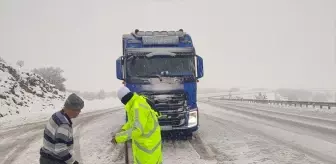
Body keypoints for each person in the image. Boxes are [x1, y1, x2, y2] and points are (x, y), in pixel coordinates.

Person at [111, 86, 163, 164]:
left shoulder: (137, 107)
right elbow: (133, 121)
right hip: (149, 144)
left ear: (123, 100)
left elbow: (137, 130)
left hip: (147, 147)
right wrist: (124, 129)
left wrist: (118, 138)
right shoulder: (136, 101)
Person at [39, 93, 84, 164]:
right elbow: (60, 149)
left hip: (46, 157)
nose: (79, 112)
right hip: (54, 161)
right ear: (71, 108)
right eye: (78, 109)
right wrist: (72, 162)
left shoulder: (57, 115)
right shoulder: (64, 125)